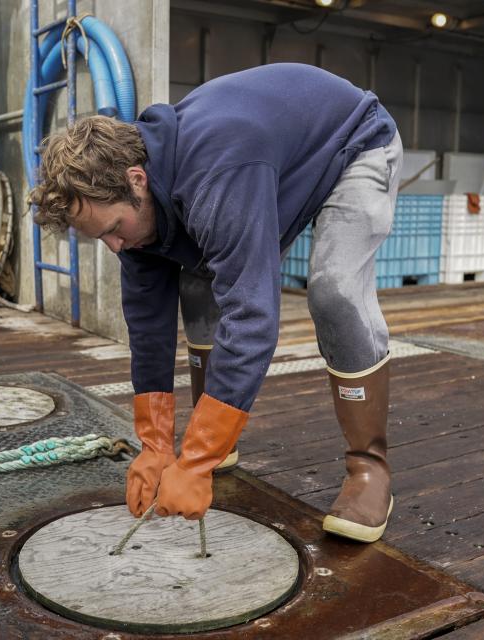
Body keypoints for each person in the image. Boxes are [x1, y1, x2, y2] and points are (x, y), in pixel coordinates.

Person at [28, 63, 403, 543]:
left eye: (113, 231)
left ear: (137, 180)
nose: (115, 247)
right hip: (276, 164)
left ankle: (369, 470)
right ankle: (210, 438)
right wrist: (156, 446)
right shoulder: (131, 213)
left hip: (354, 143)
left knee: (334, 291)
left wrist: (197, 461)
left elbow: (252, 316)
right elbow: (147, 326)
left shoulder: (218, 174)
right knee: (197, 284)